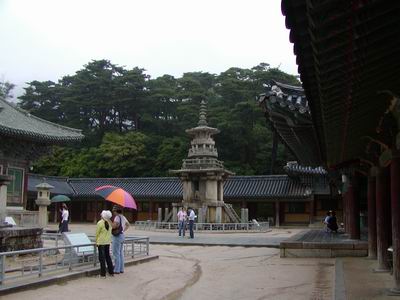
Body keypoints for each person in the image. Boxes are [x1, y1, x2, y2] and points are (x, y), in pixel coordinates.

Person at [96, 210, 114, 278]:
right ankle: (111, 272)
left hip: (101, 242)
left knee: (102, 258)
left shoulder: (100, 223)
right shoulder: (110, 223)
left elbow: (97, 233)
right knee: (108, 257)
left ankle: (103, 274)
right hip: (107, 242)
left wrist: (96, 241)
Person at [112, 206, 129, 274]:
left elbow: (114, 226)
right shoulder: (123, 217)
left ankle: (116, 269)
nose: (113, 212)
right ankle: (121, 269)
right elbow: (128, 225)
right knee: (121, 253)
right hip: (122, 235)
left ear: (116, 211)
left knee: (116, 253)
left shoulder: (117, 217)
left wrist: (110, 222)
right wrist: (123, 231)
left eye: (113, 211)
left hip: (117, 236)